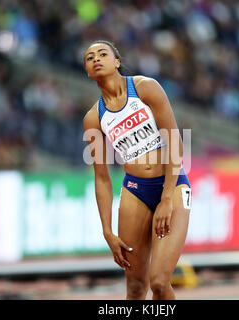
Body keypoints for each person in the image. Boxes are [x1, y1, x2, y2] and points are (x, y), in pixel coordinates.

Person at [83, 40, 191, 300]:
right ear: (87, 71)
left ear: (117, 61)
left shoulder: (145, 88)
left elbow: (175, 140)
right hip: (134, 191)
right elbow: (102, 178)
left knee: (159, 282)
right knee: (134, 288)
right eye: (89, 57)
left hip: (172, 185)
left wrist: (166, 199)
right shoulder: (93, 118)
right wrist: (107, 231)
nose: (96, 58)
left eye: (102, 54)